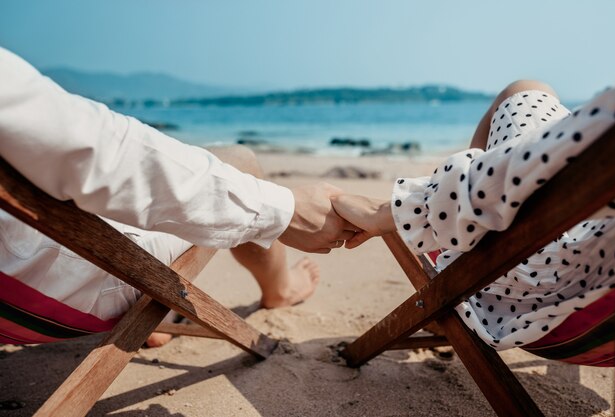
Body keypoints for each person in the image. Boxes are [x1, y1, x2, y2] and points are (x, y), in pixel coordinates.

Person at [0, 47, 355, 346]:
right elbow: (96, 151)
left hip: (10, 310)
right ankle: (280, 288)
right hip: (66, 292)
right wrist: (281, 210)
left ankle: (153, 310)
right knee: (240, 160)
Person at [331, 80, 615, 349]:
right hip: (601, 298)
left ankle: (460, 237)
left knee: (524, 89)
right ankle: (458, 220)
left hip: (540, 283)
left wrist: (392, 211)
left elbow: (585, 152)